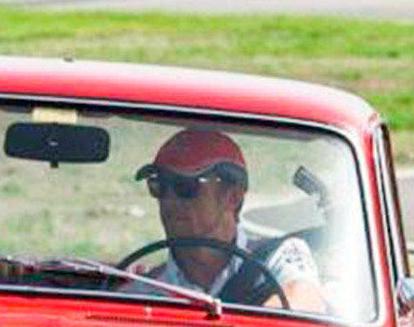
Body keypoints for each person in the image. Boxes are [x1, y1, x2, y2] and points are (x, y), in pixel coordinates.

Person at [133, 128, 327, 313]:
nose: (170, 200)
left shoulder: (279, 257)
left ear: (233, 197)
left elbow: (304, 299)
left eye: (186, 187)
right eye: (159, 185)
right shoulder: (144, 290)